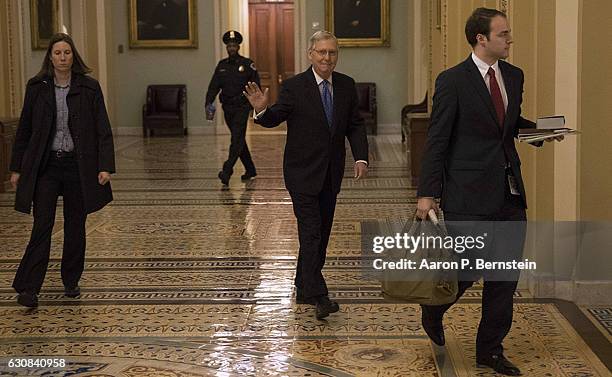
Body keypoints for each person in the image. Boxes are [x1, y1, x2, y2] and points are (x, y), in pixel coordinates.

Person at [416, 8, 563, 376]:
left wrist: (539, 132)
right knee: (469, 266)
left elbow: (509, 125)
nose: (510, 40)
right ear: (481, 38)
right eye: (504, 34)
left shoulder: (513, 76)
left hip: (509, 192)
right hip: (467, 192)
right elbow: (437, 141)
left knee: (504, 275)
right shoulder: (452, 81)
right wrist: (427, 193)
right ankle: (434, 308)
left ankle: (491, 351)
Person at [244, 31, 369, 320]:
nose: (327, 58)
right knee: (311, 232)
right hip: (301, 173)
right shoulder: (294, 87)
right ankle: (319, 295)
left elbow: (355, 124)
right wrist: (261, 109)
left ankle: (302, 285)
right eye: (322, 52)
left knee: (322, 234)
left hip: (331, 173)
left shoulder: (347, 86)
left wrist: (361, 156)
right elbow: (275, 117)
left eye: (332, 53)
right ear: (310, 54)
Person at [9, 33, 115, 308]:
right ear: (50, 57)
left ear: (73, 55)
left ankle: (70, 280)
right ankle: (30, 288)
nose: (63, 57)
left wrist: (105, 166)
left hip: (77, 166)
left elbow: (102, 129)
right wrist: (16, 168)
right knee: (42, 224)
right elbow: (24, 131)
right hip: (46, 167)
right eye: (58, 53)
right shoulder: (36, 87)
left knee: (75, 225)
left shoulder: (89, 87)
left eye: (67, 52)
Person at [205, 30, 260, 185]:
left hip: (242, 107)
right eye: (229, 45)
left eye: (234, 45)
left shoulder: (247, 64)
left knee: (236, 139)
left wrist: (255, 106)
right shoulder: (221, 66)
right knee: (239, 139)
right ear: (226, 47)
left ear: (238, 46)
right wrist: (208, 103)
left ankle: (227, 170)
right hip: (227, 108)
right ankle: (250, 169)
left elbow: (256, 86)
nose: (231, 48)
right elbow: (213, 87)